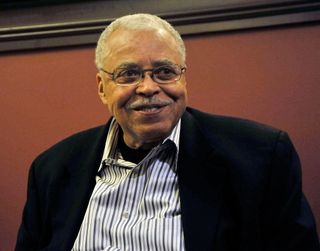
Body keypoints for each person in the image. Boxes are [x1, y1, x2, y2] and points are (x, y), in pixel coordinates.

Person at [15, 13, 319, 251]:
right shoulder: (52, 170)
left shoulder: (260, 158)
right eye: (128, 74)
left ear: (183, 79)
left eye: (165, 72)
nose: (148, 88)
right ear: (101, 88)